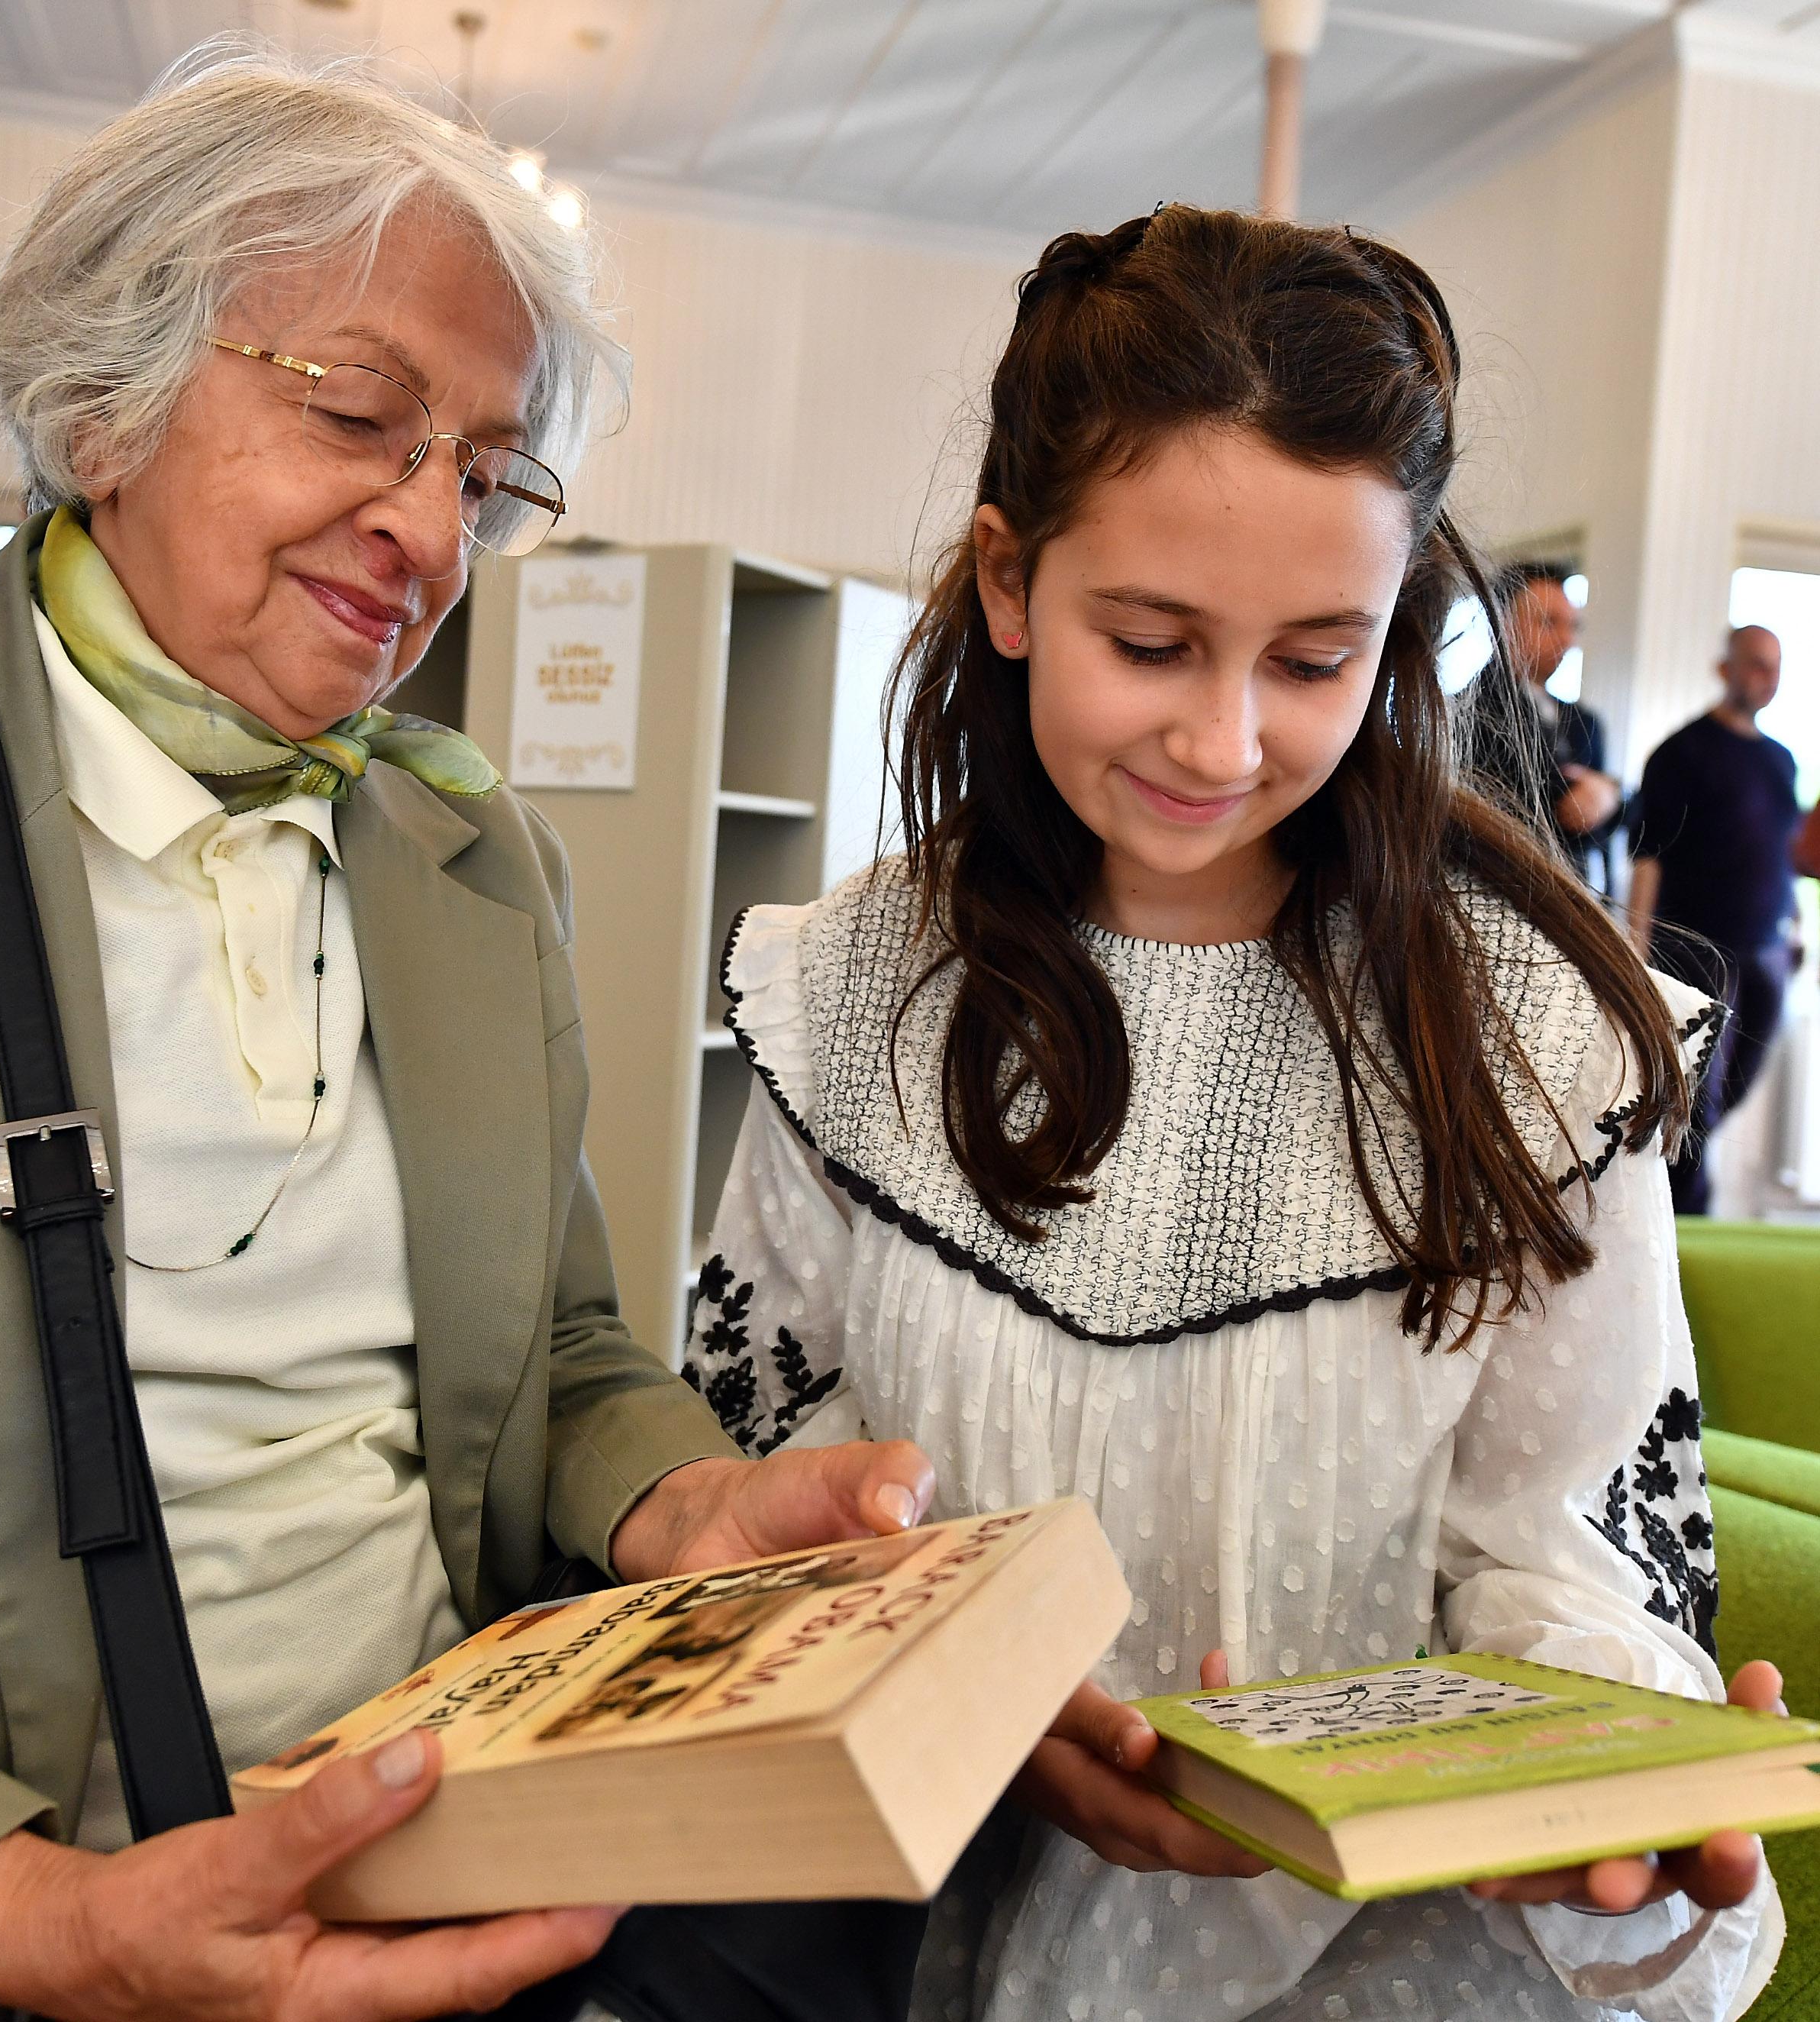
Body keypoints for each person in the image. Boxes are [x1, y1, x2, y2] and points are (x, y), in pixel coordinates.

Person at [0, 49, 934, 2022]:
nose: (429, 533)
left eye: (482, 477)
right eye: (366, 417)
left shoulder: (473, 856)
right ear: (97, 394)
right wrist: (47, 1923)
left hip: (411, 1916)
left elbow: (545, 1356)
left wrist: (681, 1500)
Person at [687, 206, 1785, 2022]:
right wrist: (973, 1701)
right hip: (916, 1943)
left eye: (1309, 661)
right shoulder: (845, 996)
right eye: (1151, 641)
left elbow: (1562, 1554)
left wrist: (1599, 1766)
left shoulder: (1528, 1044)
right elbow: (751, 1515)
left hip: (1411, 1966)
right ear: (1011, 584)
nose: (1221, 742)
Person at [1627, 625, 1802, 1216]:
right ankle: (1687, 1221)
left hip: (1769, 950)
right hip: (1698, 952)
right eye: (1755, 664)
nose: (1766, 678)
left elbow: (1785, 852)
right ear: (1724, 668)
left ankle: (1680, 1194)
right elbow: (1648, 860)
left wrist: (1794, 926)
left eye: (1774, 668)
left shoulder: (1781, 761)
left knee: (1732, 1090)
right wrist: (1636, 952)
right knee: (1694, 1097)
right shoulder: (1681, 754)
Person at [1504, 561, 1624, 891]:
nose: (1567, 640)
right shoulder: (1467, 711)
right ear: (1503, 623)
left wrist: (1609, 794)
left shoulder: (1586, 722)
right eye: (1548, 623)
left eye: (1572, 626)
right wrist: (1598, 794)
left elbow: (1629, 811)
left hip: (1586, 898)